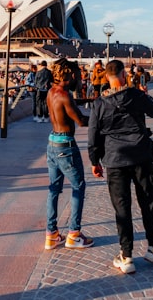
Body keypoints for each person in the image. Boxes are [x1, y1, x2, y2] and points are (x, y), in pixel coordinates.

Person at [88, 59, 153, 274]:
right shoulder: (135, 95)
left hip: (115, 159)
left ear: (106, 77)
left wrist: (95, 161)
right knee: (148, 202)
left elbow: (93, 133)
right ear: (124, 75)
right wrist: (144, 93)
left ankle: (126, 255)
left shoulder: (100, 103)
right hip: (141, 156)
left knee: (122, 208)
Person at [44, 58, 94, 250]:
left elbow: (67, 107)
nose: (80, 79)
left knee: (54, 189)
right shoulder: (65, 95)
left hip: (52, 143)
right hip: (66, 146)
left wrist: (91, 100)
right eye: (79, 76)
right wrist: (104, 119)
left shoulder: (52, 92)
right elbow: (81, 120)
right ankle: (74, 234)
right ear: (71, 74)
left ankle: (52, 234)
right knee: (78, 186)